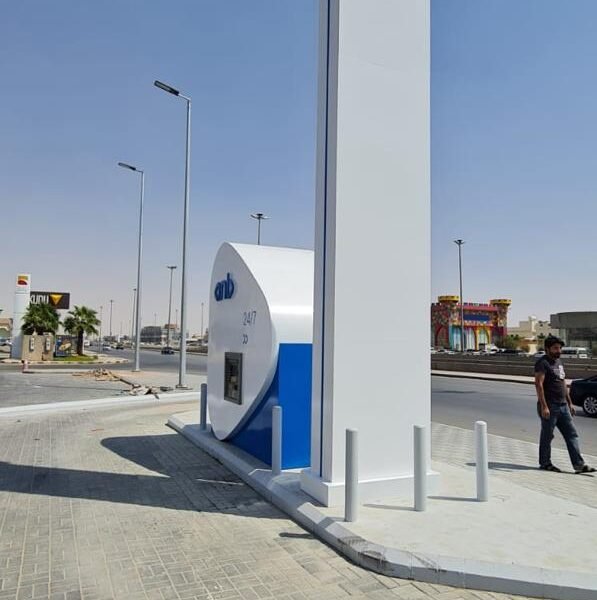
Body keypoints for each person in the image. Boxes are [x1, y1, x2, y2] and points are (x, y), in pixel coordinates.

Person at [534, 335, 595, 473]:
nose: (559, 351)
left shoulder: (559, 362)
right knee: (547, 436)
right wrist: (544, 406)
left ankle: (579, 465)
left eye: (560, 348)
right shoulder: (542, 363)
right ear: (547, 349)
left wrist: (570, 403)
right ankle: (545, 463)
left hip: (563, 406)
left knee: (572, 434)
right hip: (550, 406)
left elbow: (562, 383)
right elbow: (538, 384)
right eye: (555, 348)